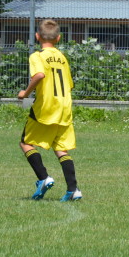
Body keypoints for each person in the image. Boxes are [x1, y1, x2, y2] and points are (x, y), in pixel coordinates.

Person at [17, 19, 82, 202]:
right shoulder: (62, 57)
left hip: (46, 106)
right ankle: (73, 189)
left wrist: (25, 93)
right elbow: (69, 84)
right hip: (64, 106)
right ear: (58, 38)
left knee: (26, 143)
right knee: (61, 148)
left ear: (37, 36)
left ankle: (44, 178)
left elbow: (39, 75)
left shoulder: (37, 56)